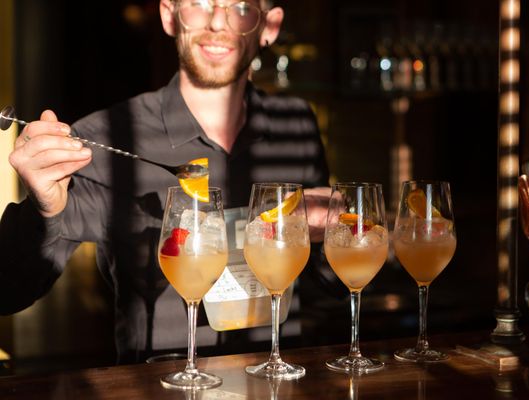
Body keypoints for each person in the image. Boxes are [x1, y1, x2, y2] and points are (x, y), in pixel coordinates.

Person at [0, 0, 332, 364]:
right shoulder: (102, 140)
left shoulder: (296, 126)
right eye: (199, 4)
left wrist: (338, 229)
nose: (218, 22)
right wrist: (44, 208)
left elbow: (324, 278)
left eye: (240, 7)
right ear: (168, 16)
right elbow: (7, 291)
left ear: (269, 26)